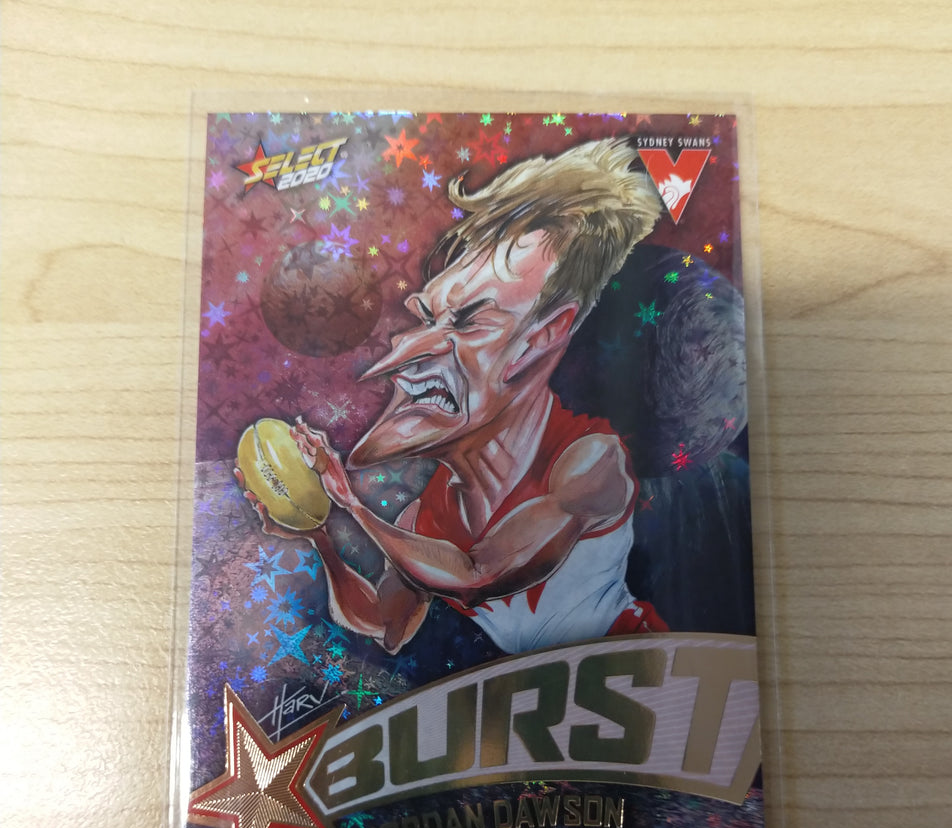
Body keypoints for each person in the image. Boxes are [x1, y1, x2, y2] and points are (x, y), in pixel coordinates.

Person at [239, 138, 667, 654]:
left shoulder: (588, 463)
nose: (410, 351)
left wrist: (351, 502)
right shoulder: (424, 520)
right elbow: (385, 626)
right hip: (548, 692)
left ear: (542, 337)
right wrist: (320, 535)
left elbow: (478, 573)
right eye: (426, 317)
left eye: (467, 322)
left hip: (649, 674)